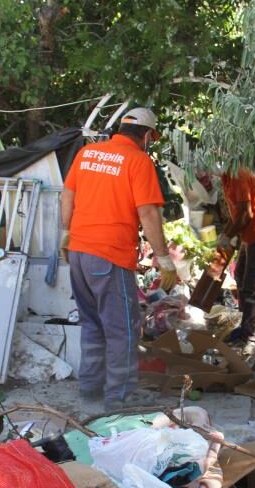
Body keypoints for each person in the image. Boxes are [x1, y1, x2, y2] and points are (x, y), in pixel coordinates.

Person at [60, 107, 177, 409]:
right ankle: (118, 399)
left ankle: (89, 391)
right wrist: (163, 259)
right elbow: (148, 212)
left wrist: (66, 233)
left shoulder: (88, 154)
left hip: (79, 254)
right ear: (148, 135)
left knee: (91, 324)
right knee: (122, 329)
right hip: (109, 256)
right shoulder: (138, 161)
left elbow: (67, 196)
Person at [217, 168, 255, 345]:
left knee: (251, 285)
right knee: (240, 275)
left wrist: (228, 235)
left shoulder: (237, 176)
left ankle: (249, 334)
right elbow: (237, 214)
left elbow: (246, 214)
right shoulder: (227, 177)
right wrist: (225, 234)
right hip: (249, 236)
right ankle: (244, 324)